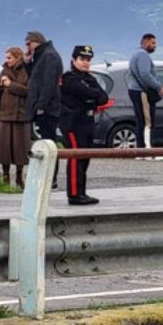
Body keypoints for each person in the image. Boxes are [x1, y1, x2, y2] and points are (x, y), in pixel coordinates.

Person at [60, 45, 109, 205]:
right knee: (76, 156)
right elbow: (85, 92)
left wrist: (91, 96)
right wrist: (91, 96)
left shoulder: (89, 78)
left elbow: (103, 97)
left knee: (85, 157)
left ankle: (81, 192)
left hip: (87, 121)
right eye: (82, 59)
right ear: (74, 60)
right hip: (73, 122)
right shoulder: (69, 77)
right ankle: (74, 194)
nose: (85, 63)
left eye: (88, 60)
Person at [24, 30, 63, 187]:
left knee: (49, 143)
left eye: (28, 43)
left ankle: (51, 178)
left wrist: (41, 105)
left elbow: (48, 83)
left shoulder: (49, 56)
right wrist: (27, 62)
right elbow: (34, 78)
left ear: (36, 41)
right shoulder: (41, 56)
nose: (27, 47)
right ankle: (47, 177)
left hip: (47, 109)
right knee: (46, 143)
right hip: (42, 107)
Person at [125, 33, 163, 156]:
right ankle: (147, 150)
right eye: (153, 43)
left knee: (140, 121)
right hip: (141, 92)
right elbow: (145, 74)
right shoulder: (143, 55)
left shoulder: (135, 55)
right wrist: (159, 87)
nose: (155, 46)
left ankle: (141, 150)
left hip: (135, 90)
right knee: (147, 121)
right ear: (146, 42)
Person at [0, 47, 32, 188]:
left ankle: (19, 176)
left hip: (21, 115)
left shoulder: (27, 71)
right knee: (4, 147)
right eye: (6, 57)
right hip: (4, 114)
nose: (7, 60)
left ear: (18, 57)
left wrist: (11, 85)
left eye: (9, 57)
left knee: (20, 148)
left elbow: (29, 91)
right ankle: (5, 176)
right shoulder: (4, 71)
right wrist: (0, 84)